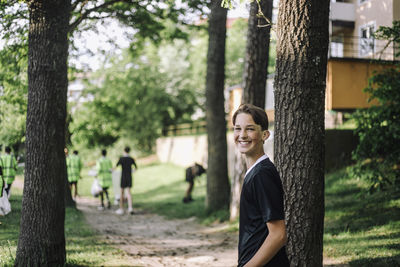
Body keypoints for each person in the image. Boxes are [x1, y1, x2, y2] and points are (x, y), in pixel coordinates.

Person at [232, 104, 289, 267]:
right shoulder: (255, 172)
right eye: (237, 129)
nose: (242, 135)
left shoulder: (261, 175)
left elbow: (278, 234)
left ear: (264, 134)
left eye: (250, 129)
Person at [115, 146, 137, 215]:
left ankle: (121, 209)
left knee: (122, 193)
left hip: (123, 177)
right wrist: (132, 171)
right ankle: (130, 208)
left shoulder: (121, 159)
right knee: (129, 193)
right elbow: (135, 168)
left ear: (124, 150)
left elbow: (115, 167)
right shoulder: (131, 159)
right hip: (129, 177)